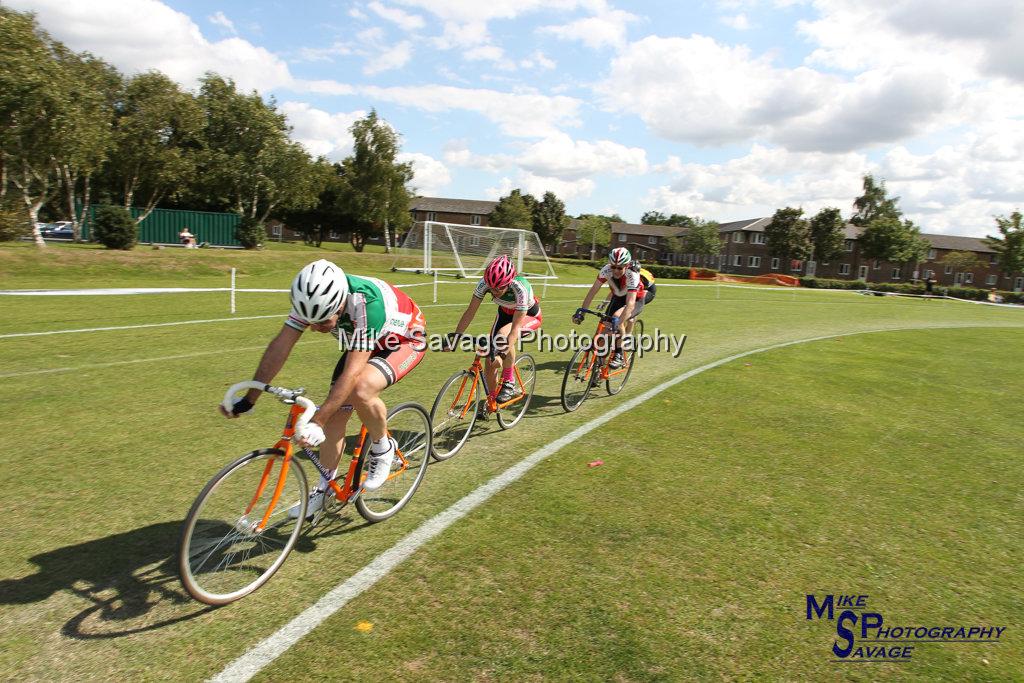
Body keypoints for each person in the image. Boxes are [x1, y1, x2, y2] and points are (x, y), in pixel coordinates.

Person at [219, 259, 427, 518]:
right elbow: (280, 348)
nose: (315, 329)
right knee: (336, 417)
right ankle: (324, 490)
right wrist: (250, 399)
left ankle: (383, 447)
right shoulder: (311, 300)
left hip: (405, 337)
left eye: (322, 321)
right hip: (363, 338)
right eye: (310, 322)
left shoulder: (366, 305)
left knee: (362, 388)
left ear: (340, 304)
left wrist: (316, 420)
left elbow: (352, 373)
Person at [445, 255, 542, 404]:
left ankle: (509, 381)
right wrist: (456, 337)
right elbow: (470, 312)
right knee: (489, 360)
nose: (494, 291)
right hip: (504, 314)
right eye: (491, 288)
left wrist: (502, 354)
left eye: (499, 288)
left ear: (509, 282)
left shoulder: (521, 289)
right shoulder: (484, 284)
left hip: (528, 316)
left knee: (503, 336)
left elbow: (515, 329)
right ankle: (492, 401)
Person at [573, 247, 645, 370]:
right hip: (618, 297)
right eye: (613, 267)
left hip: (635, 299)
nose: (616, 270)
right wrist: (582, 312)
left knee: (617, 318)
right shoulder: (606, 270)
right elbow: (592, 292)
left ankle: (619, 353)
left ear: (626, 266)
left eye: (620, 268)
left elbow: (630, 304)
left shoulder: (632, 274)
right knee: (602, 333)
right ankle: (599, 368)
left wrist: (618, 324)